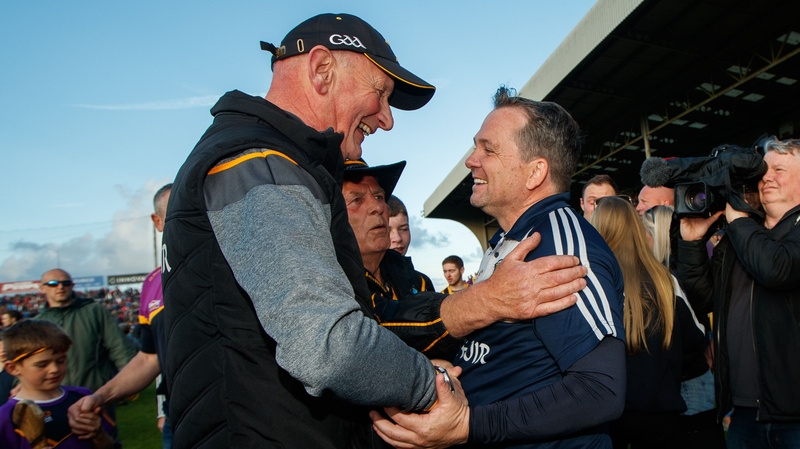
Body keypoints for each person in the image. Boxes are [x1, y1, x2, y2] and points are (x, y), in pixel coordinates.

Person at [162, 15, 588, 449]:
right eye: (380, 93)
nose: (386, 120)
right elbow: (327, 345)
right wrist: (431, 384)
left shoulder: (271, 162)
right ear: (322, 69)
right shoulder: (260, 165)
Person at [371, 86, 626, 448]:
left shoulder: (560, 248)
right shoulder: (511, 241)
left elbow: (600, 389)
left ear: (535, 172)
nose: (471, 160)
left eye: (488, 149)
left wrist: (470, 425)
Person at [677, 138, 800, 449]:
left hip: (794, 415)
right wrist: (692, 243)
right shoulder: (742, 236)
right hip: (745, 412)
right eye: (763, 171)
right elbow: (704, 299)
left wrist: (739, 221)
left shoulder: (746, 230)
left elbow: (777, 268)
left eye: (779, 170)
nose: (766, 177)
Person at [591, 196, 706, 449]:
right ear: (636, 227)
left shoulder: (590, 284)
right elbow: (695, 340)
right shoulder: (664, 280)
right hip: (661, 416)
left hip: (609, 417)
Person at [68, 184, 173, 449]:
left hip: (235, 414)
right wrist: (101, 396)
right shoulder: (152, 282)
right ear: (158, 221)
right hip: (179, 416)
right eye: (177, 212)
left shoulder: (229, 265)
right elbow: (149, 358)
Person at [343, 159, 459, 358]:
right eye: (357, 200)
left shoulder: (417, 279)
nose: (377, 206)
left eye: (379, 196)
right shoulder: (333, 282)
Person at [642, 205, 724, 449]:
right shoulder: (665, 276)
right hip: (684, 379)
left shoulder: (675, 278)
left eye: (644, 231)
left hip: (691, 380)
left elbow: (695, 334)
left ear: (658, 235)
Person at [35, 269, 134, 447]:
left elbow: (118, 346)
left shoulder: (94, 311)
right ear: (42, 288)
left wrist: (131, 382)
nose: (60, 287)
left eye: (65, 283)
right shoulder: (38, 323)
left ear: (72, 286)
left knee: (104, 442)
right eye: (53, 283)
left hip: (94, 395)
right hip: (53, 400)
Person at [0, 320, 114, 449]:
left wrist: (99, 435)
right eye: (42, 365)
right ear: (13, 368)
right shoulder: (6, 417)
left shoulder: (83, 398)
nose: (54, 369)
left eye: (61, 361)